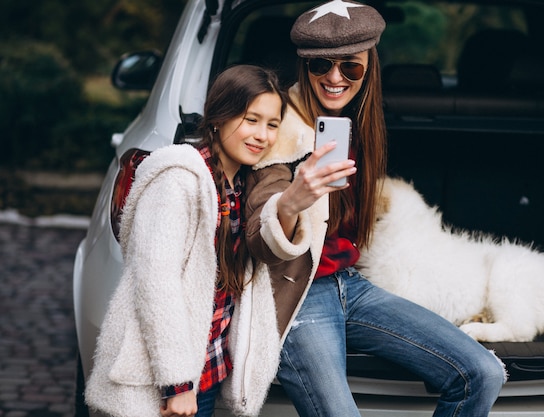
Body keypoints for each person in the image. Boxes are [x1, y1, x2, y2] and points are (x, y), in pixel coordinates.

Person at [245, 1, 508, 417]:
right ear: (303, 67)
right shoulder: (277, 127)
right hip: (297, 292)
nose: (335, 78)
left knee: (482, 372)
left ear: (369, 67)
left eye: (350, 67)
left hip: (351, 284)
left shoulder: (357, 122)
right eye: (321, 66)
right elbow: (259, 225)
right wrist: (290, 204)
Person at [84, 64, 288, 417]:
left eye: (272, 124)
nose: (262, 135)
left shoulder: (243, 187)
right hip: (159, 383)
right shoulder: (179, 181)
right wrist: (176, 384)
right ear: (218, 119)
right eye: (251, 119)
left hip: (206, 372)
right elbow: (155, 283)